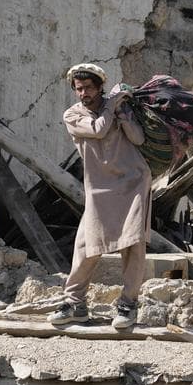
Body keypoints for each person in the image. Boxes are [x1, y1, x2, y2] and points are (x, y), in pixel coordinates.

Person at [48, 63, 149, 329]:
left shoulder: (116, 107)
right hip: (100, 188)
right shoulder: (72, 115)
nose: (84, 93)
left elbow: (138, 140)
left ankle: (128, 305)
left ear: (100, 87)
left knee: (133, 243)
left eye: (89, 88)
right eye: (79, 89)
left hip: (134, 181)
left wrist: (124, 114)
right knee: (87, 245)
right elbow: (98, 129)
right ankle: (75, 304)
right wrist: (111, 105)